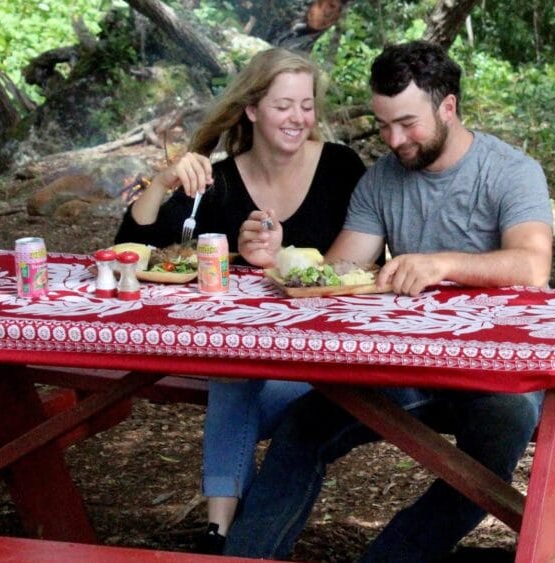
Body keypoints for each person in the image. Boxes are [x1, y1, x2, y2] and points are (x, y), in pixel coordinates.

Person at [224, 40, 554, 561]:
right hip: (411, 363)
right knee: (302, 430)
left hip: (500, 369)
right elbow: (337, 272)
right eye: (383, 125)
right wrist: (272, 259)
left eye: (407, 123)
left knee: (489, 457)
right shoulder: (381, 179)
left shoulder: (511, 171)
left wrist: (441, 264)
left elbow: (533, 266)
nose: (393, 139)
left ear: (447, 106)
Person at [113, 47, 367, 553]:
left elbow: (358, 267)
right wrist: (163, 180)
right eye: (283, 106)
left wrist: (273, 261)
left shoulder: (341, 167)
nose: (298, 118)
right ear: (252, 109)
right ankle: (222, 536)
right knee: (234, 373)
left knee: (233, 380)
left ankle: (223, 535)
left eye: (306, 105)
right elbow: (135, 248)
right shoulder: (222, 180)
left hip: (330, 360)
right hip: (257, 363)